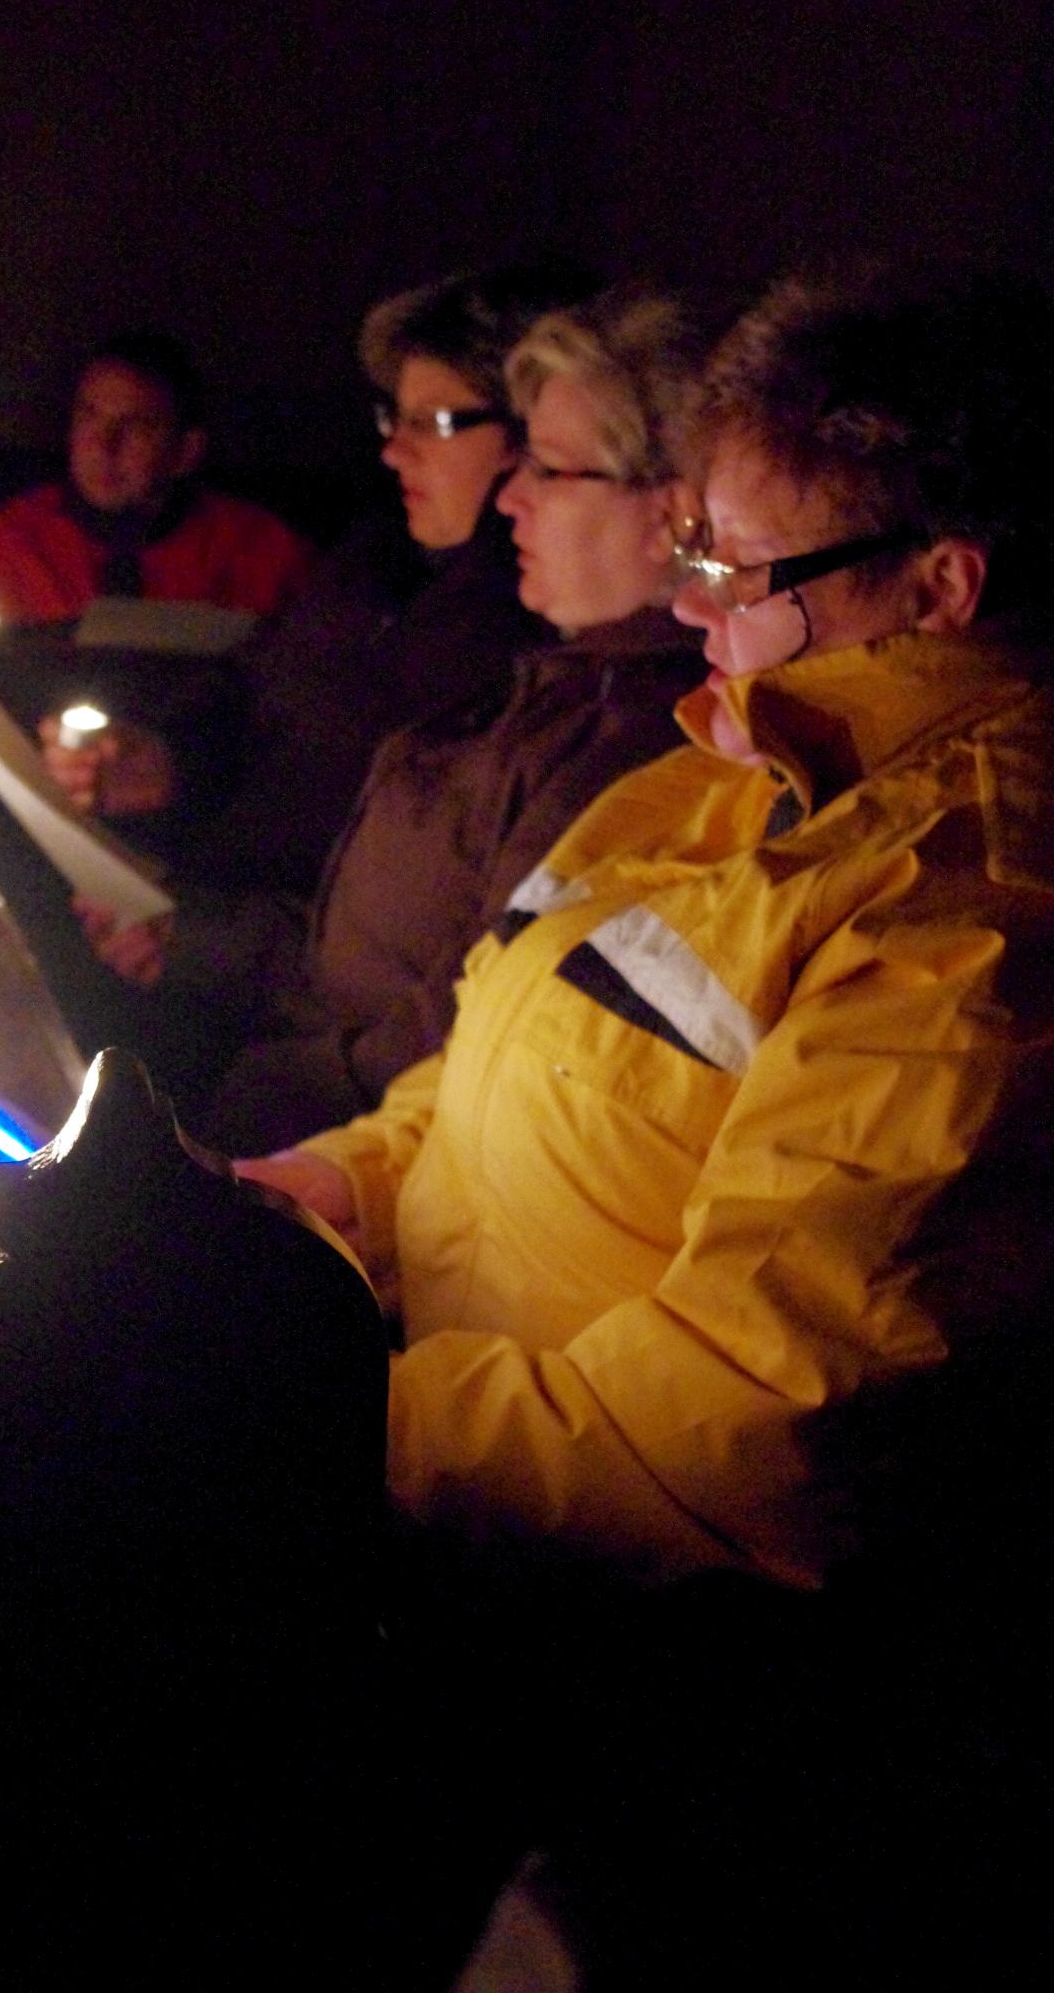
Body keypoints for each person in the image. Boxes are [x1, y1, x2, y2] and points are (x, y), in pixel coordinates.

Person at [236, 267, 1054, 1979]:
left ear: (939, 584)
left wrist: (330, 1429)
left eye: (736, 569)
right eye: (690, 547)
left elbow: (751, 1414)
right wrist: (330, 1184)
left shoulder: (970, 902)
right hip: (462, 1520)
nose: (690, 605)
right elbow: (495, 1051)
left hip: (643, 1679)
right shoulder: (717, 765)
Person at [53, 266, 591, 1099]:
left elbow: (399, 928)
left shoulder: (532, 641)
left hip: (289, 1022)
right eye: (393, 418)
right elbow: (252, 681)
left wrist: (203, 940)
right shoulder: (377, 554)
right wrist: (165, 759)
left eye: (434, 422)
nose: (394, 449)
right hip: (203, 926)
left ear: (530, 432)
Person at [203, 287, 707, 1150]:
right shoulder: (556, 676)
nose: (513, 499)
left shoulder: (639, 733)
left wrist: (265, 1095)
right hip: (301, 1038)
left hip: (351, 1127)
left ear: (670, 515)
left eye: (548, 469)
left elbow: (471, 1011)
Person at [0, 330, 314, 627]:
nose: (104, 446)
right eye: (90, 417)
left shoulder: (262, 553)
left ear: (185, 452)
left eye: (137, 427)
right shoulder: (1, 548)